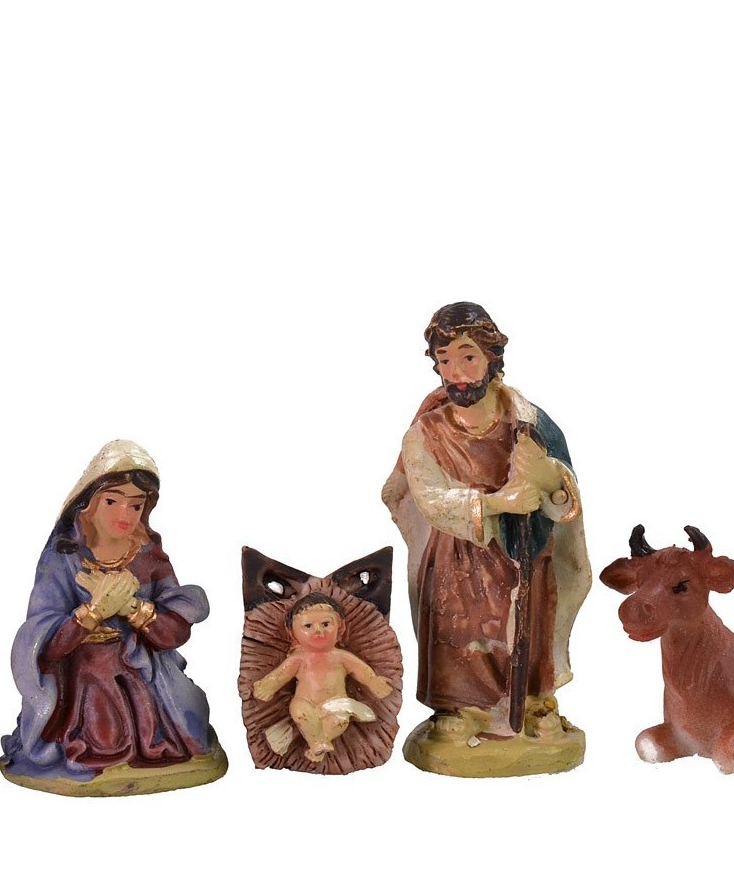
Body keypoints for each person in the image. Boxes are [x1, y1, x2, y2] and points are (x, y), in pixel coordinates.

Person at [382, 302, 590, 769]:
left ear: (492, 357)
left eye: (468, 357)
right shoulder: (425, 434)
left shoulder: (529, 422)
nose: (456, 372)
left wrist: (546, 478)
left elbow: (563, 492)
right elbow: (430, 499)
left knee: (527, 624)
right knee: (459, 630)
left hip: (521, 552)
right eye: (444, 360)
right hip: (457, 557)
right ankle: (461, 709)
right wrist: (498, 502)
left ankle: (533, 701)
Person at [0, 440, 224, 795]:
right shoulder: (64, 559)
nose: (125, 514)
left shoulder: (149, 556)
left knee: (188, 728)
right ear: (87, 504)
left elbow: (175, 631)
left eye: (136, 504)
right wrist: (93, 613)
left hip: (146, 672)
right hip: (82, 676)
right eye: (112, 501)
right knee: (101, 736)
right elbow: (42, 641)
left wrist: (132, 608)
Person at [251, 593, 394, 763]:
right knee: (300, 712)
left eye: (326, 624)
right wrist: (268, 685)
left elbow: (361, 671)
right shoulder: (299, 659)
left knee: (340, 721)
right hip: (305, 702)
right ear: (293, 633)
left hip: (335, 704)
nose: (318, 630)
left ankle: (319, 743)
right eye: (308, 626)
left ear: (340, 626)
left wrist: (374, 681)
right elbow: (280, 675)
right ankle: (318, 743)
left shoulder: (341, 657)